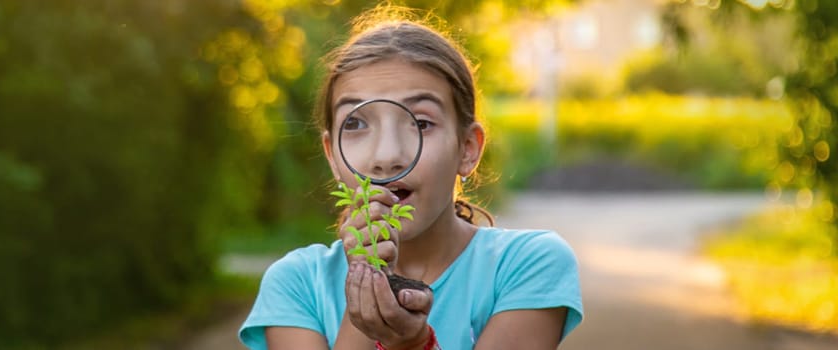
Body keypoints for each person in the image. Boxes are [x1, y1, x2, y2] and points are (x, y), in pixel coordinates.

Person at [239, 6, 582, 350]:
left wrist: (415, 345)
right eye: (356, 123)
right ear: (332, 155)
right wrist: (369, 280)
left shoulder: (528, 264)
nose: (387, 156)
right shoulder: (295, 284)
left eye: (420, 123)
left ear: (467, 149)